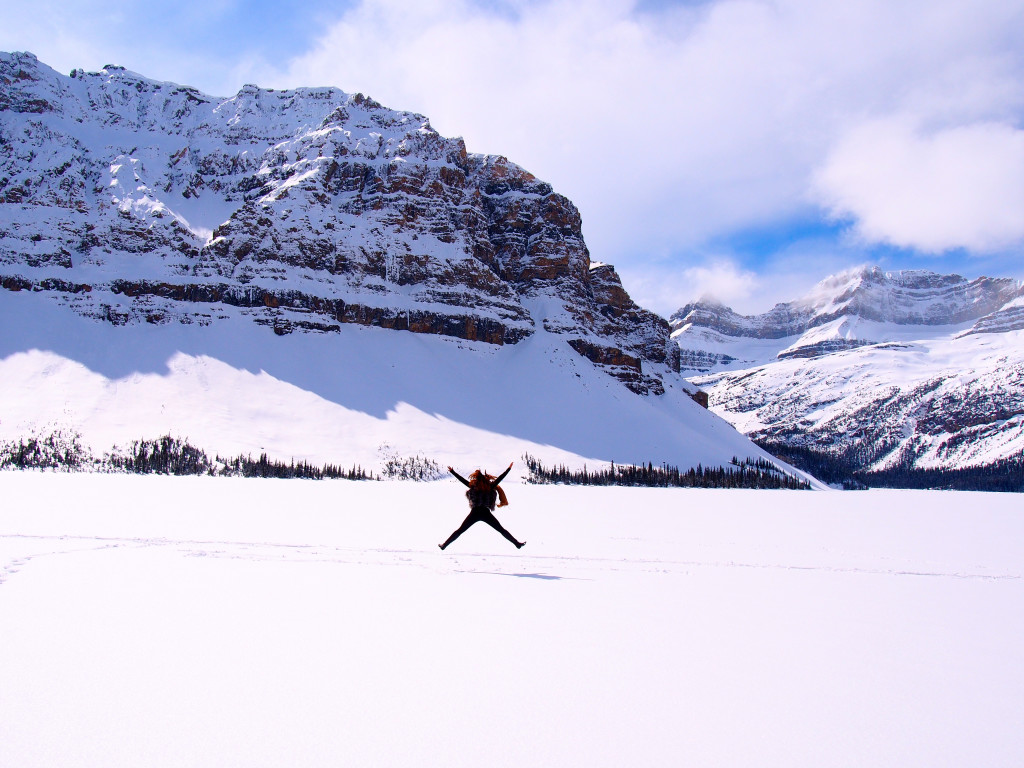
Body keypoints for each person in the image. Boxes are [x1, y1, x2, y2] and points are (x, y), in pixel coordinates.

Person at [439, 462, 525, 550]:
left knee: (460, 530)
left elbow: (462, 480)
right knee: (501, 530)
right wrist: (509, 469)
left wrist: (452, 471)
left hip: (475, 512)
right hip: (485, 513)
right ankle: (517, 544)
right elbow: (500, 478)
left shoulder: (473, 486)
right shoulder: (490, 486)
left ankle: (444, 545)